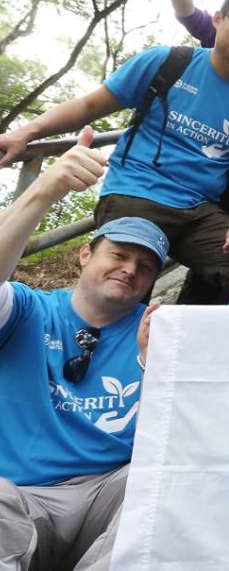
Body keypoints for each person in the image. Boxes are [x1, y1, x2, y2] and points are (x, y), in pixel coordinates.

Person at [0, 0, 229, 302]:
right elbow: (89, 106)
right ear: (218, 19)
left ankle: (195, 344)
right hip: (136, 194)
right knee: (122, 290)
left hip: (198, 211)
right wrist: (27, 132)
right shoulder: (168, 62)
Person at [0, 128, 168, 569]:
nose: (130, 270)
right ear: (84, 256)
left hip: (104, 497)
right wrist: (45, 190)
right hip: (19, 497)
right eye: (119, 255)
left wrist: (157, 367)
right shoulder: (26, 308)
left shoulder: (161, 334)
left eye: (145, 266)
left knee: (160, 484)